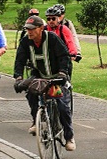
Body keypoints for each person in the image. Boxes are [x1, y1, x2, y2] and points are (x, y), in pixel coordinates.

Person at [13, 15, 75, 151]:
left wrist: (63, 73)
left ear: (41, 28)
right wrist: (18, 78)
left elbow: (64, 56)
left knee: (62, 106)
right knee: (31, 93)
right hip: (39, 77)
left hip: (56, 79)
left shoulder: (52, 39)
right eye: (27, 29)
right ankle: (37, 120)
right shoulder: (25, 42)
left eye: (32, 29)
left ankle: (69, 137)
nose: (29, 32)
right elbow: (20, 60)